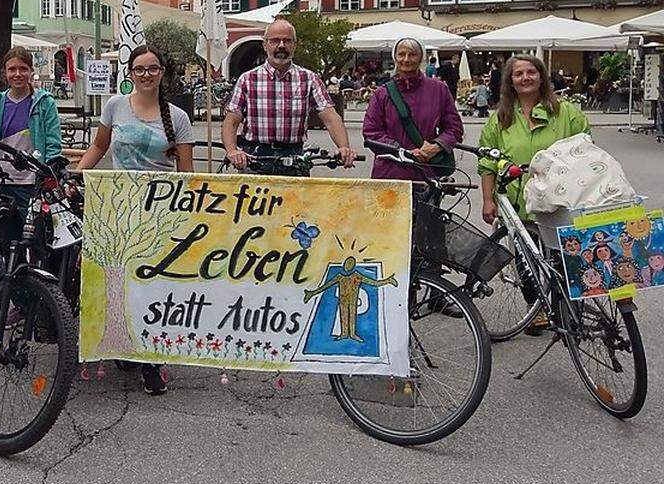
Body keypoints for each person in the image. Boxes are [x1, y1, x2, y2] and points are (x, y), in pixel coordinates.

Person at [78, 44, 195, 395]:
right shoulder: (115, 106)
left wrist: (185, 208)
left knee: (151, 287)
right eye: (140, 69)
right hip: (116, 207)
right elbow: (99, 147)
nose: (147, 74)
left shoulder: (177, 117)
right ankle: (123, 344)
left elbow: (185, 171)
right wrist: (78, 173)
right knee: (119, 283)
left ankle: (151, 361)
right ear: (130, 74)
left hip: (157, 212)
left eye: (153, 68)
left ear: (162, 73)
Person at [479, 54, 589, 335]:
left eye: (531, 72)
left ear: (541, 77)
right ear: (510, 81)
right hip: (519, 200)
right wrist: (488, 199)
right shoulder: (501, 118)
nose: (525, 78)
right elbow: (487, 161)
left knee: (564, 258)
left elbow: (586, 150)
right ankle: (537, 308)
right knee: (526, 260)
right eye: (519, 74)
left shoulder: (565, 112)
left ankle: (567, 309)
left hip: (560, 199)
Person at [222, 18, 356, 176]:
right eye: (274, 41)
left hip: (294, 157)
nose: (281, 46)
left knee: (297, 200)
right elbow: (231, 120)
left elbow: (330, 117)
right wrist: (232, 151)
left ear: (295, 45)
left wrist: (343, 147)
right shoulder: (247, 79)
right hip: (256, 156)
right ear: (265, 45)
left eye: (287, 40)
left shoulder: (309, 79)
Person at [0, 46, 62, 246]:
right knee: (7, 241)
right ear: (5, 72)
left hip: (31, 182)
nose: (17, 74)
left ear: (31, 71)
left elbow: (53, 142)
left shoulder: (44, 102)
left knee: (35, 241)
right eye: (12, 69)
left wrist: (47, 171)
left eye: (23, 69)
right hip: (4, 181)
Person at [362, 38, 463, 182]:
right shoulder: (382, 94)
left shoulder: (439, 89)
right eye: (401, 54)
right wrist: (401, 151)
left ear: (421, 57)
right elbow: (371, 132)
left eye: (412, 54)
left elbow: (454, 128)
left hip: (426, 173)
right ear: (395, 57)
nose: (406, 59)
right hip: (390, 173)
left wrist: (437, 146)